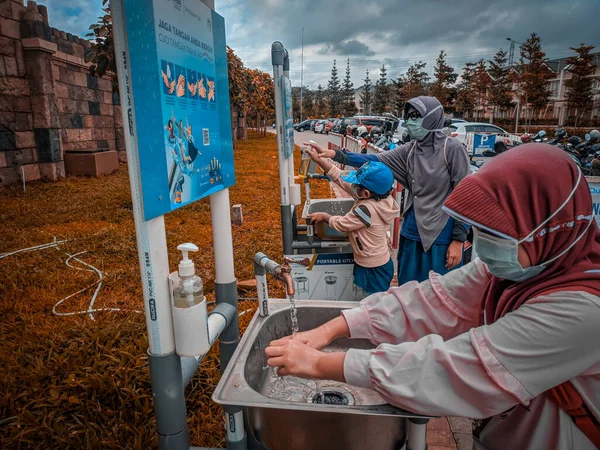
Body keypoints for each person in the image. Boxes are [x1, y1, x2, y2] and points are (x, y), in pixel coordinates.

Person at [265, 144, 600, 450]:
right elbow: (430, 302)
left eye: (497, 233)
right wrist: (330, 329)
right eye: (478, 229)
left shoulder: (584, 310)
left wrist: (320, 363)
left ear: (546, 228)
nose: (481, 245)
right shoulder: (520, 269)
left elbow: (456, 370)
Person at [309, 96, 470, 285]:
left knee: (442, 292)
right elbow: (375, 161)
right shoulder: (410, 150)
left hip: (442, 232)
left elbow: (465, 195)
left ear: (431, 118)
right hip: (412, 229)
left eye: (416, 116)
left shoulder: (451, 149)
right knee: (408, 288)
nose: (410, 121)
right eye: (408, 116)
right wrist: (336, 155)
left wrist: (458, 240)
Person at [304, 145, 400, 294]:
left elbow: (341, 224)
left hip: (372, 267)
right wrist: (319, 160)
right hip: (381, 261)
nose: (353, 186)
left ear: (366, 193)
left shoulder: (364, 210)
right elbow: (339, 177)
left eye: (356, 184)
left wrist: (324, 216)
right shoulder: (382, 198)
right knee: (377, 298)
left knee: (373, 301)